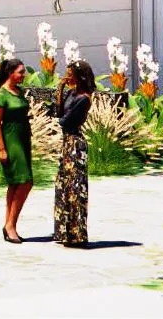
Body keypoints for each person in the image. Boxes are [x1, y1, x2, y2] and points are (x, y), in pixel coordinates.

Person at [53, 59, 96, 247]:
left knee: (75, 189)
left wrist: (61, 118)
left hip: (75, 145)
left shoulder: (84, 99)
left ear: (79, 76)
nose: (67, 76)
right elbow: (58, 112)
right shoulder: (71, 93)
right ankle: (64, 232)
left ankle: (77, 234)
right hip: (66, 144)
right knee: (64, 187)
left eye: (70, 74)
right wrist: (60, 90)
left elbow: (66, 121)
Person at [0, 57, 34, 243]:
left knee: (15, 183)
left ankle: (8, 225)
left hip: (23, 138)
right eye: (21, 72)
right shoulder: (2, 95)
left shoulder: (19, 91)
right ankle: (11, 225)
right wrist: (1, 148)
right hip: (11, 139)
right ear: (10, 73)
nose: (24, 75)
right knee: (25, 182)